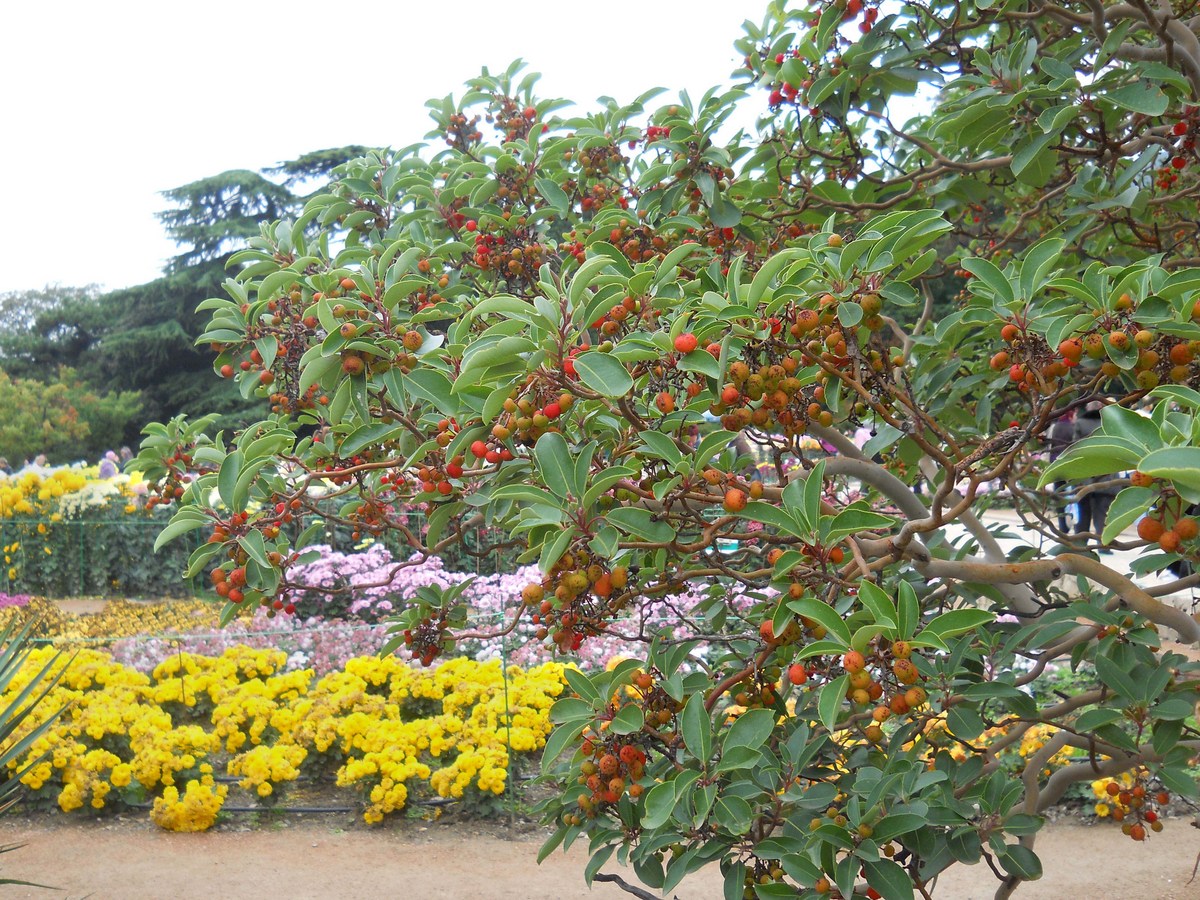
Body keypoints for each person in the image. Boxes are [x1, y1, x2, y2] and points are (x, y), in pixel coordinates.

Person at [1072, 402, 1119, 546]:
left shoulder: (1080, 423)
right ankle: (1104, 543)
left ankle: (1080, 543)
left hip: (1085, 474)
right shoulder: (1109, 425)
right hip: (1107, 474)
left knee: (1083, 512)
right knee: (1103, 514)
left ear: (1087, 409)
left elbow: (1075, 448)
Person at [1046, 409, 1075, 533]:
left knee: (1059, 493)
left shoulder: (1054, 427)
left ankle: (1062, 524)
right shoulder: (1073, 428)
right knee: (1072, 493)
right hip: (1069, 464)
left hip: (1055, 464)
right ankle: (1072, 521)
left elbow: (1049, 446)